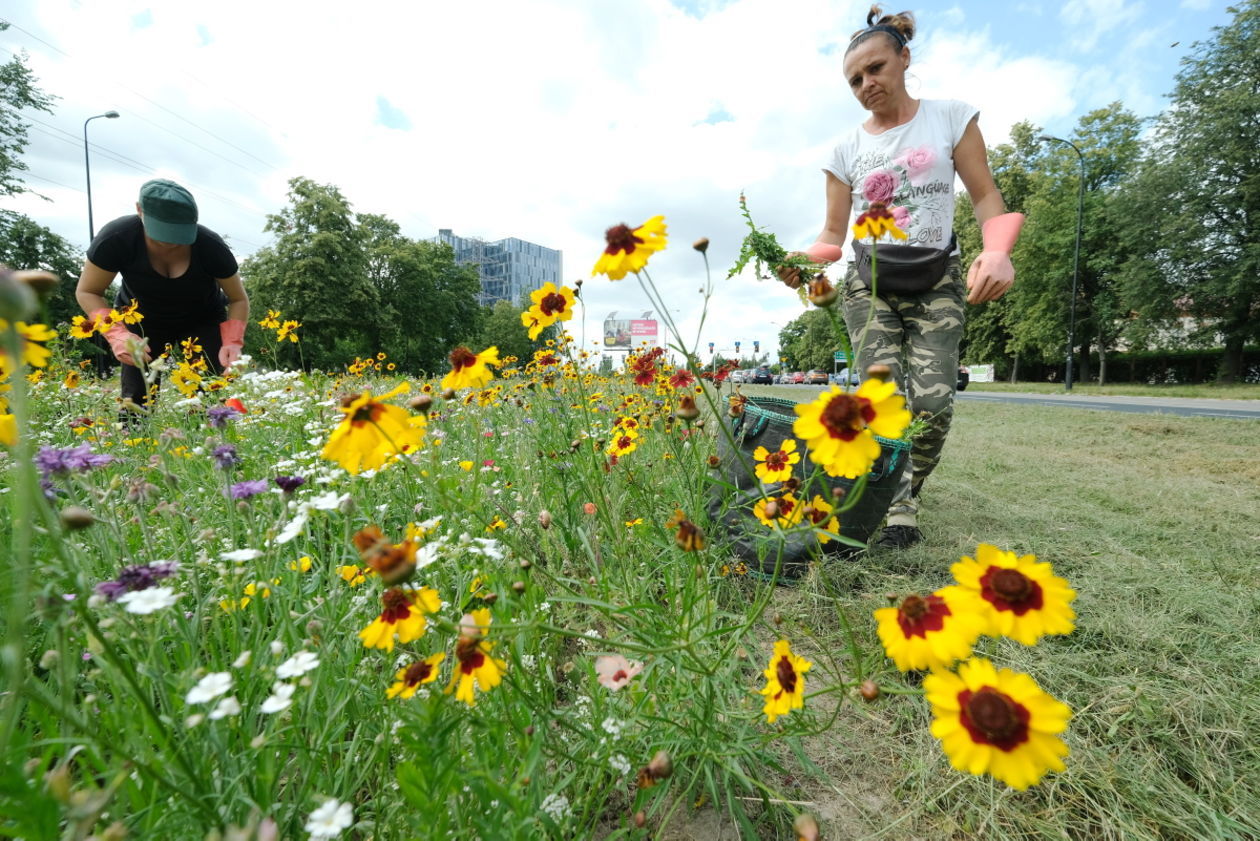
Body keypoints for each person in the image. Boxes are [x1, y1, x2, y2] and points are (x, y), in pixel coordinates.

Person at [780, 6, 1024, 550]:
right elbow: (832, 236)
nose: (867, 84)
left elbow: (986, 197)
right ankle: (896, 506)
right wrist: (799, 260)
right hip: (869, 286)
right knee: (880, 402)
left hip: (938, 277)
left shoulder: (950, 118)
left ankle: (908, 490)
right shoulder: (844, 150)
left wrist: (997, 250)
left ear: (904, 59)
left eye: (875, 69)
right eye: (854, 79)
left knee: (933, 405)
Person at [75, 179, 249, 414]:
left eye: (179, 235)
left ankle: (210, 444)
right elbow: (88, 291)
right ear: (139, 211)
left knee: (210, 390)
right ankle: (135, 443)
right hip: (142, 322)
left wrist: (232, 342)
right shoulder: (116, 239)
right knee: (136, 398)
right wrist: (116, 334)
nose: (170, 243)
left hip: (202, 318)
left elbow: (238, 299)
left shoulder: (211, 246)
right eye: (161, 234)